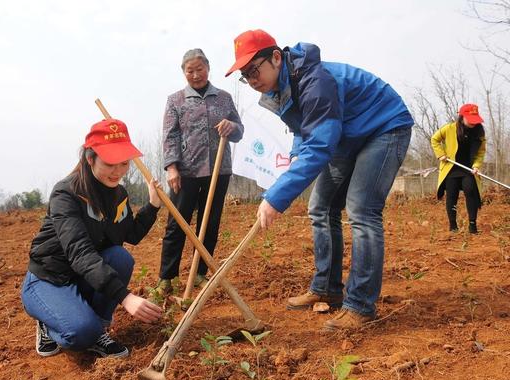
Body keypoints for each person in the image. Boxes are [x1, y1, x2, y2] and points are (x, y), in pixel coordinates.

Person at [225, 29, 414, 330]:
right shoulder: (279, 89)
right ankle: (327, 288)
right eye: (244, 75)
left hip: (383, 127)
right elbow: (305, 130)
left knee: (361, 210)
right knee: (321, 207)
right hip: (346, 135)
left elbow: (322, 143)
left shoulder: (316, 81)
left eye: (253, 69)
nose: (251, 79)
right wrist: (297, 152)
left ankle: (361, 306)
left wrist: (276, 197)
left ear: (276, 57)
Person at [21, 118, 164, 358]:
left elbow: (131, 234)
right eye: (110, 163)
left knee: (120, 258)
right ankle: (50, 322)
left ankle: (98, 330)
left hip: (83, 276)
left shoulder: (118, 194)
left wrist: (152, 205)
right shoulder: (66, 193)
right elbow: (80, 252)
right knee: (79, 333)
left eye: (124, 163)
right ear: (90, 159)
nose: (118, 171)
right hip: (50, 278)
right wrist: (125, 297)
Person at [153, 48, 244, 296]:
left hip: (218, 170)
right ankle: (166, 278)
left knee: (209, 223)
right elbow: (170, 136)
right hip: (186, 173)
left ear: (208, 68)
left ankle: (200, 273)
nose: (195, 74)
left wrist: (232, 125)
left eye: (199, 69)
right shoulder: (176, 100)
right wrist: (172, 167)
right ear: (184, 73)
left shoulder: (224, 98)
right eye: (189, 70)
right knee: (176, 224)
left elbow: (239, 131)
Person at [431, 103, 486, 234]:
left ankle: (472, 226)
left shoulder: (479, 133)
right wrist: (441, 154)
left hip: (468, 168)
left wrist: (476, 166)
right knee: (452, 194)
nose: (473, 123)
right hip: (451, 168)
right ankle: (453, 226)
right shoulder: (449, 128)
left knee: (470, 190)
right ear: (462, 117)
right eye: (470, 119)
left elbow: (480, 153)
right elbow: (434, 139)